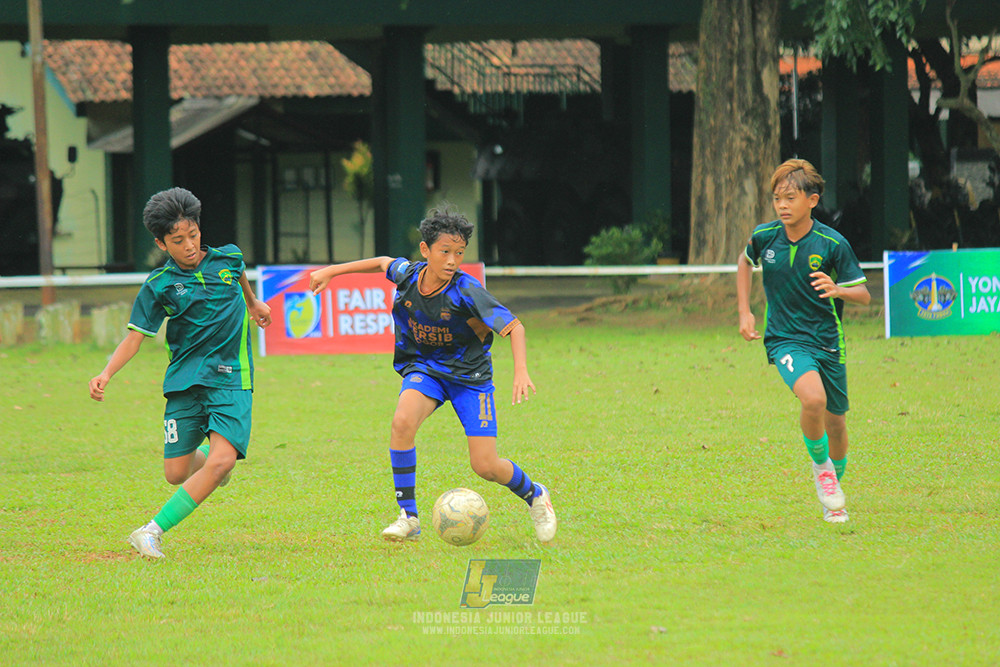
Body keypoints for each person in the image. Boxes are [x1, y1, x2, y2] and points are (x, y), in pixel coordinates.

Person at [308, 206, 557, 543]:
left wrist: (521, 372)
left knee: (485, 465)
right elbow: (383, 262)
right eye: (445, 251)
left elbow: (515, 327)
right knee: (402, 423)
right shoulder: (409, 275)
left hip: (470, 378)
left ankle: (536, 495)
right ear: (425, 250)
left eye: (459, 253)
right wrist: (332, 271)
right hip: (426, 369)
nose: (453, 260)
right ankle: (408, 517)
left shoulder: (467, 291)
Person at [89, 187, 272, 558]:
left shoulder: (230, 259)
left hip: (232, 376)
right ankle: (217, 462)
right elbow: (134, 338)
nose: (189, 245)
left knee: (221, 460)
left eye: (193, 235)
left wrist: (254, 305)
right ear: (161, 242)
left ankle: (151, 530)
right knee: (176, 471)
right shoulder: (159, 285)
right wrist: (106, 373)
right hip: (184, 381)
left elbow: (241, 280)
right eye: (177, 240)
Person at [737, 159, 870, 523]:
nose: (782, 205)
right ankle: (822, 468)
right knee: (813, 399)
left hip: (828, 341)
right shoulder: (765, 237)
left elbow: (864, 295)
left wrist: (838, 289)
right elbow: (744, 262)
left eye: (790, 198)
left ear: (812, 200)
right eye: (777, 198)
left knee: (837, 424)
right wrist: (745, 312)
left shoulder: (832, 243)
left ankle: (831, 494)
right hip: (785, 339)